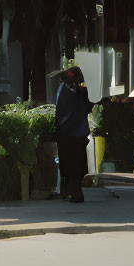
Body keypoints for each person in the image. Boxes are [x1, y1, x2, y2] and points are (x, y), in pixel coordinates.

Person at [54, 62, 93, 202]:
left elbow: (88, 107)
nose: (75, 85)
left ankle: (74, 190)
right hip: (67, 134)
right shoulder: (66, 92)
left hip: (76, 134)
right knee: (68, 164)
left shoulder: (80, 93)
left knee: (77, 165)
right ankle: (70, 190)